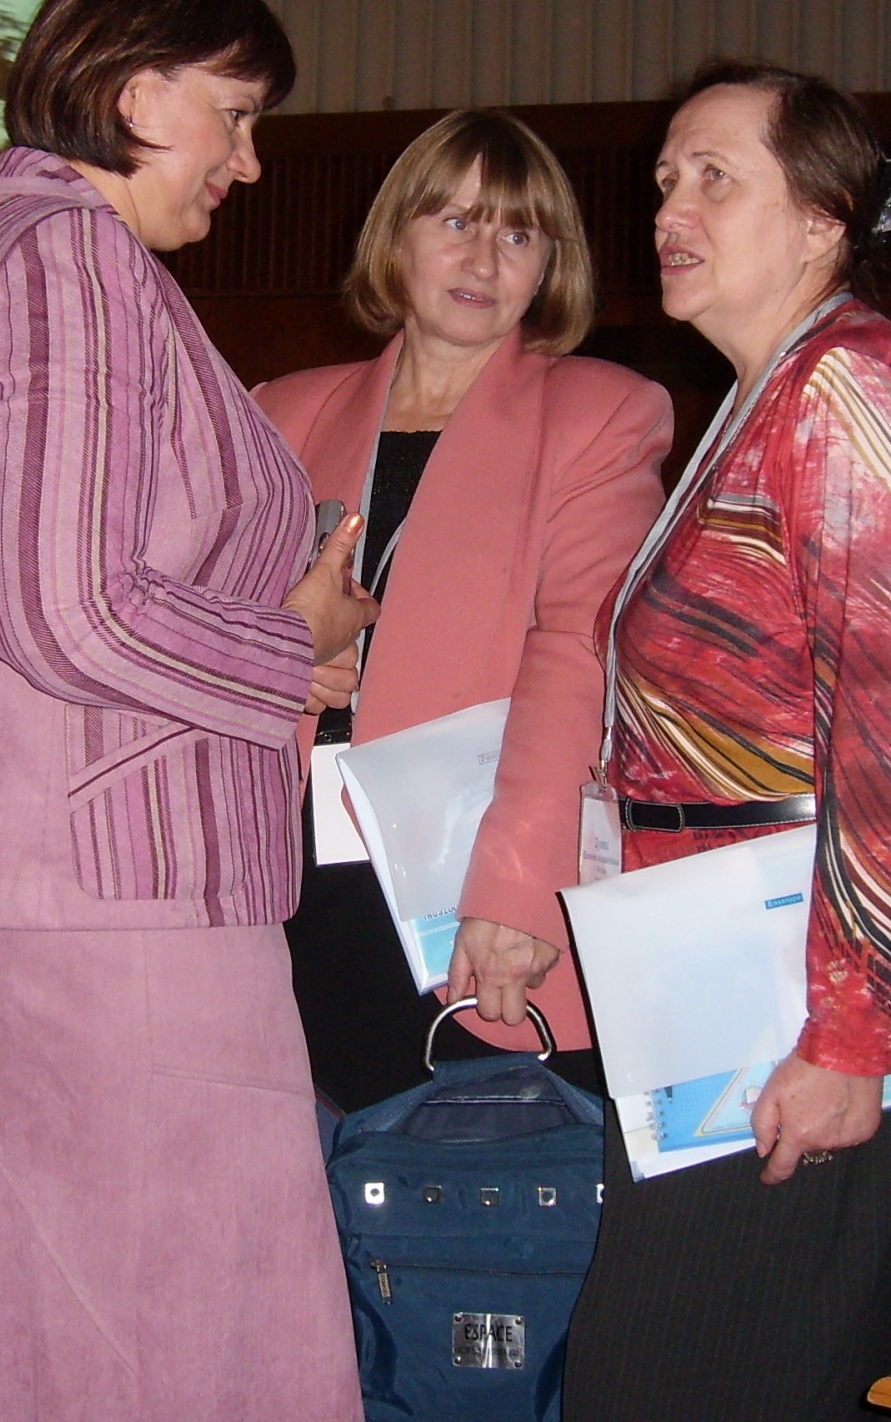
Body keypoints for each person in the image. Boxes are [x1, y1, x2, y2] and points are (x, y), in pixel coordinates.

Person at [0, 0, 373, 1422]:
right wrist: (297, 646)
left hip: (51, 884)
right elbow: (69, 613)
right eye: (235, 115)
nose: (249, 162)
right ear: (137, 95)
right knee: (150, 1326)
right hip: (98, 899)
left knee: (23, 1322)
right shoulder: (64, 261)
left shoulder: (27, 249)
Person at [562, 61, 891, 1422]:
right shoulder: (772, 390)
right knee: (763, 1366)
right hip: (724, 949)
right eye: (664, 180)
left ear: (820, 220)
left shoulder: (850, 386)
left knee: (686, 1372)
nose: (669, 209)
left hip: (792, 971)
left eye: (714, 178)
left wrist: (851, 1035)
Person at [254, 110, 673, 1108]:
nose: (484, 258)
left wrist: (521, 884)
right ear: (395, 237)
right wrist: (282, 657)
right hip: (282, 867)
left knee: (459, 1177)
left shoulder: (600, 412)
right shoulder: (280, 411)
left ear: (548, 265)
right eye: (454, 222)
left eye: (518, 233)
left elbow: (582, 656)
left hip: (469, 877)